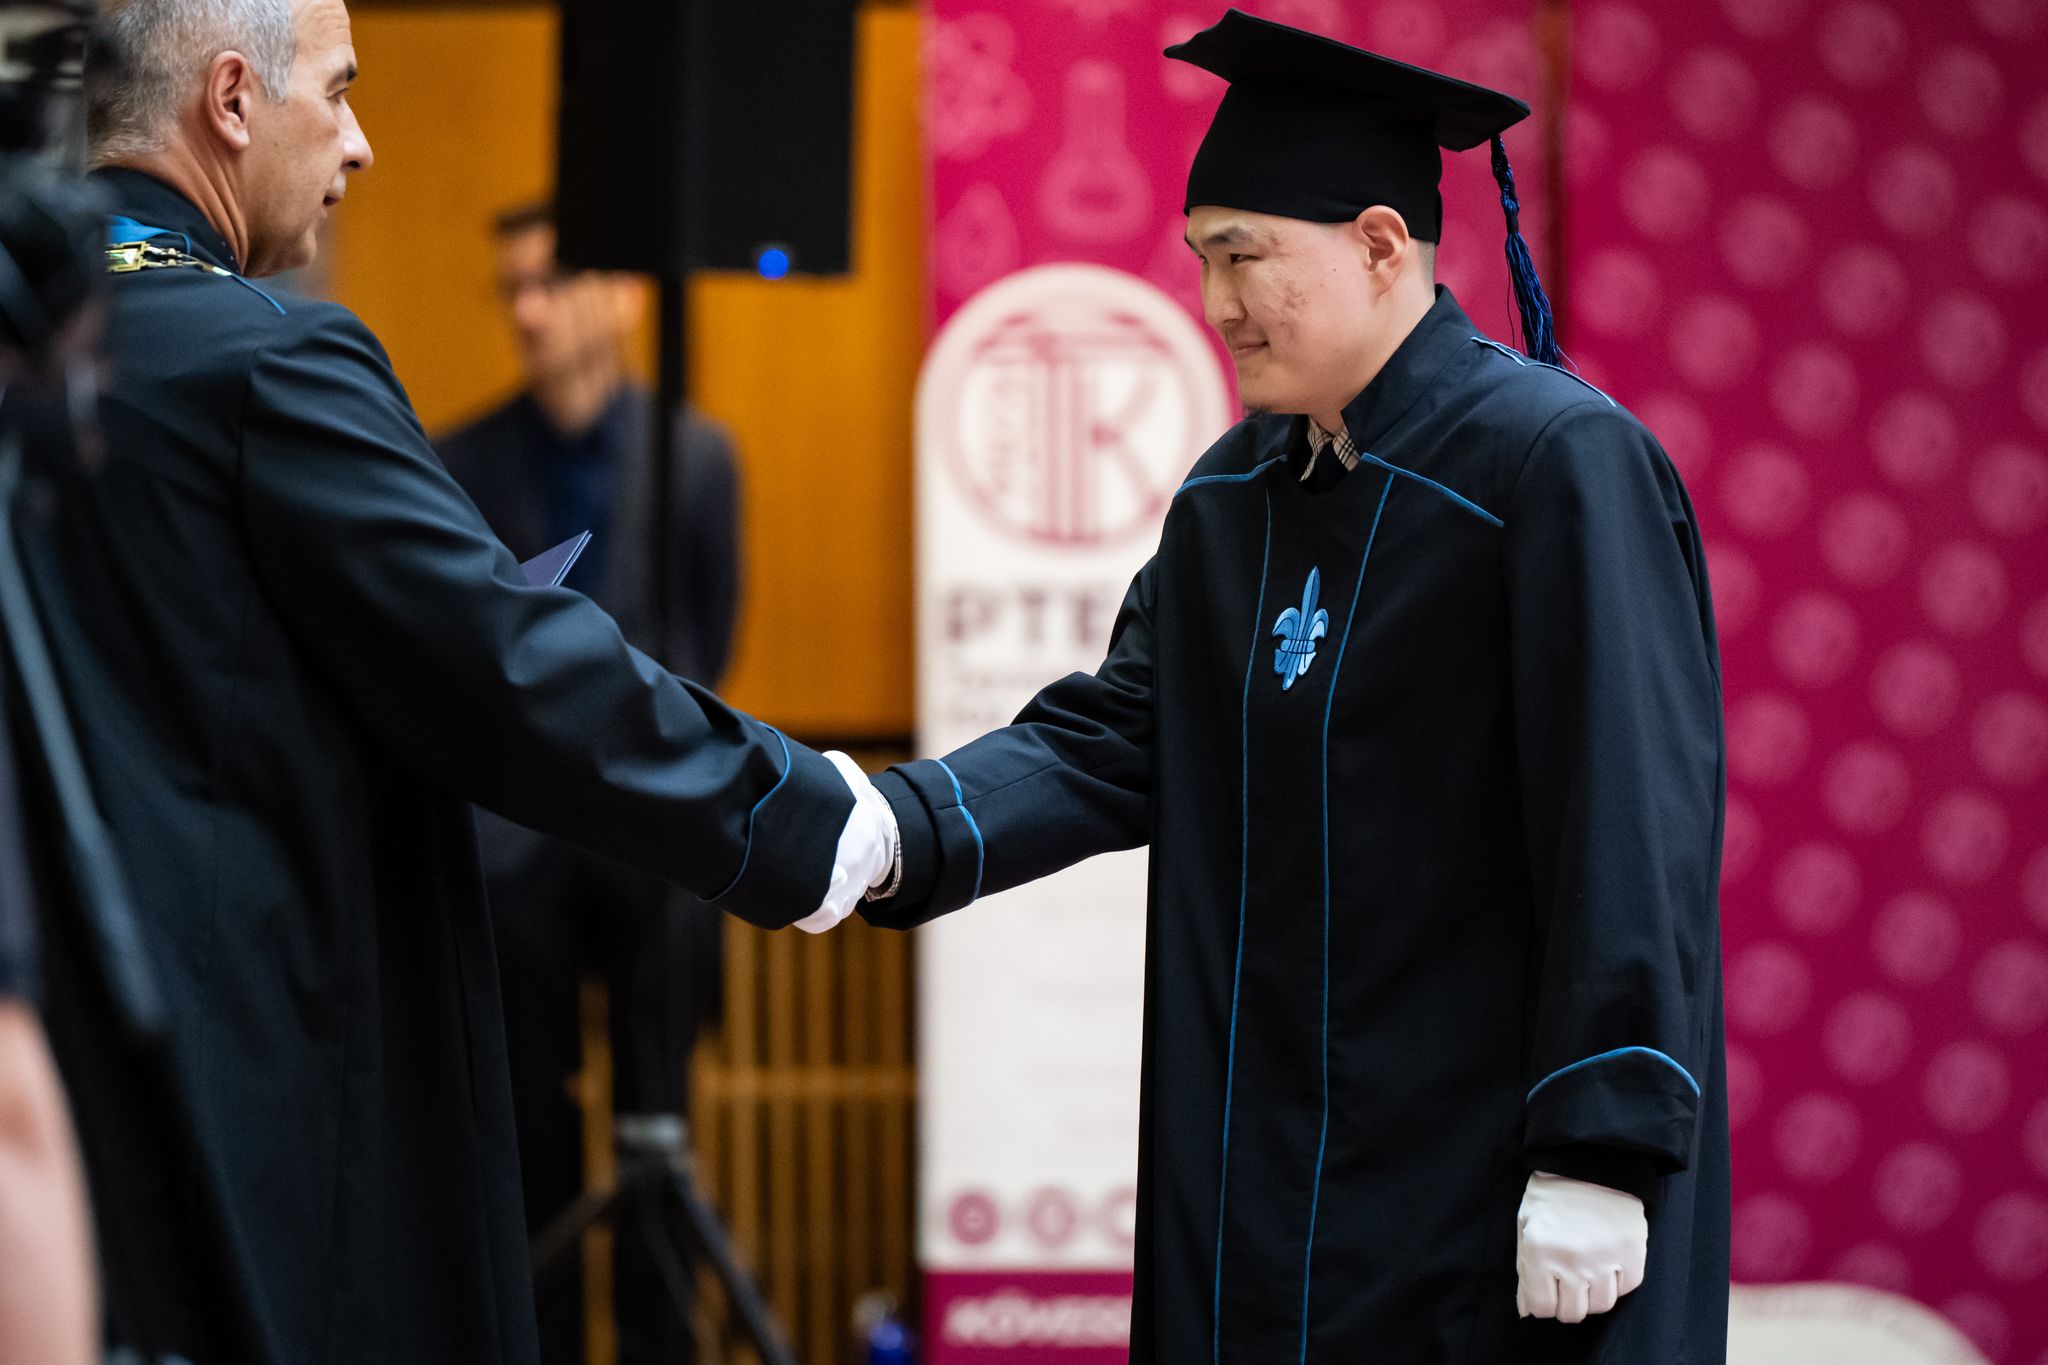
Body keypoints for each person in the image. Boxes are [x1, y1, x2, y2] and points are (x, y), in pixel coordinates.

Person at [827, 12, 1730, 1363]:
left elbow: (1630, 817)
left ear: (1379, 244)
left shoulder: (1551, 466)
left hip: (1480, 1174)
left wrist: (1599, 1142)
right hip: (1273, 1169)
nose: (1216, 305)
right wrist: (889, 826)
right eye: (1201, 259)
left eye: (1244, 257)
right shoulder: (1231, 497)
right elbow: (1109, 737)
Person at [15, 2, 890, 1362]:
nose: (360, 143)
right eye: (340, 93)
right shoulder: (272, 355)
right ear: (232, 100)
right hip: (272, 1049)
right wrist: (813, 822)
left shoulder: (44, 341)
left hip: (62, 1042)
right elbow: (507, 661)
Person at [436, 203, 744, 1365]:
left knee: (659, 1132)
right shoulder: (456, 461)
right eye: (509, 288)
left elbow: (710, 638)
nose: (527, 311)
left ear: (619, 295)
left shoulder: (696, 456)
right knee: (525, 1137)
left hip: (657, 844)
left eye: (551, 281)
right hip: (513, 856)